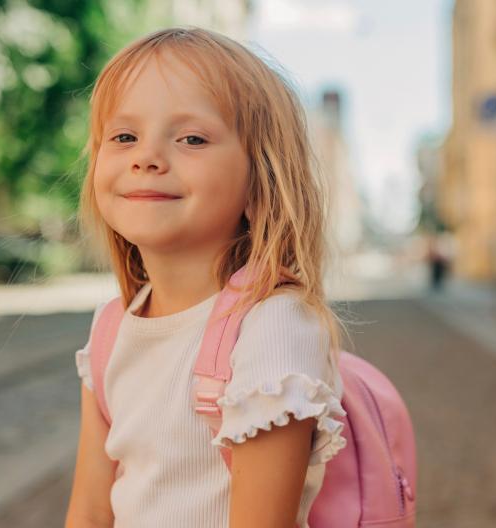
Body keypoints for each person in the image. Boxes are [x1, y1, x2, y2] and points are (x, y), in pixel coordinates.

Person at [66, 27, 348, 528]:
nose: (146, 156)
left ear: (260, 177)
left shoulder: (273, 329)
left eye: (192, 138)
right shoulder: (111, 329)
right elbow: (89, 512)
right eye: (124, 136)